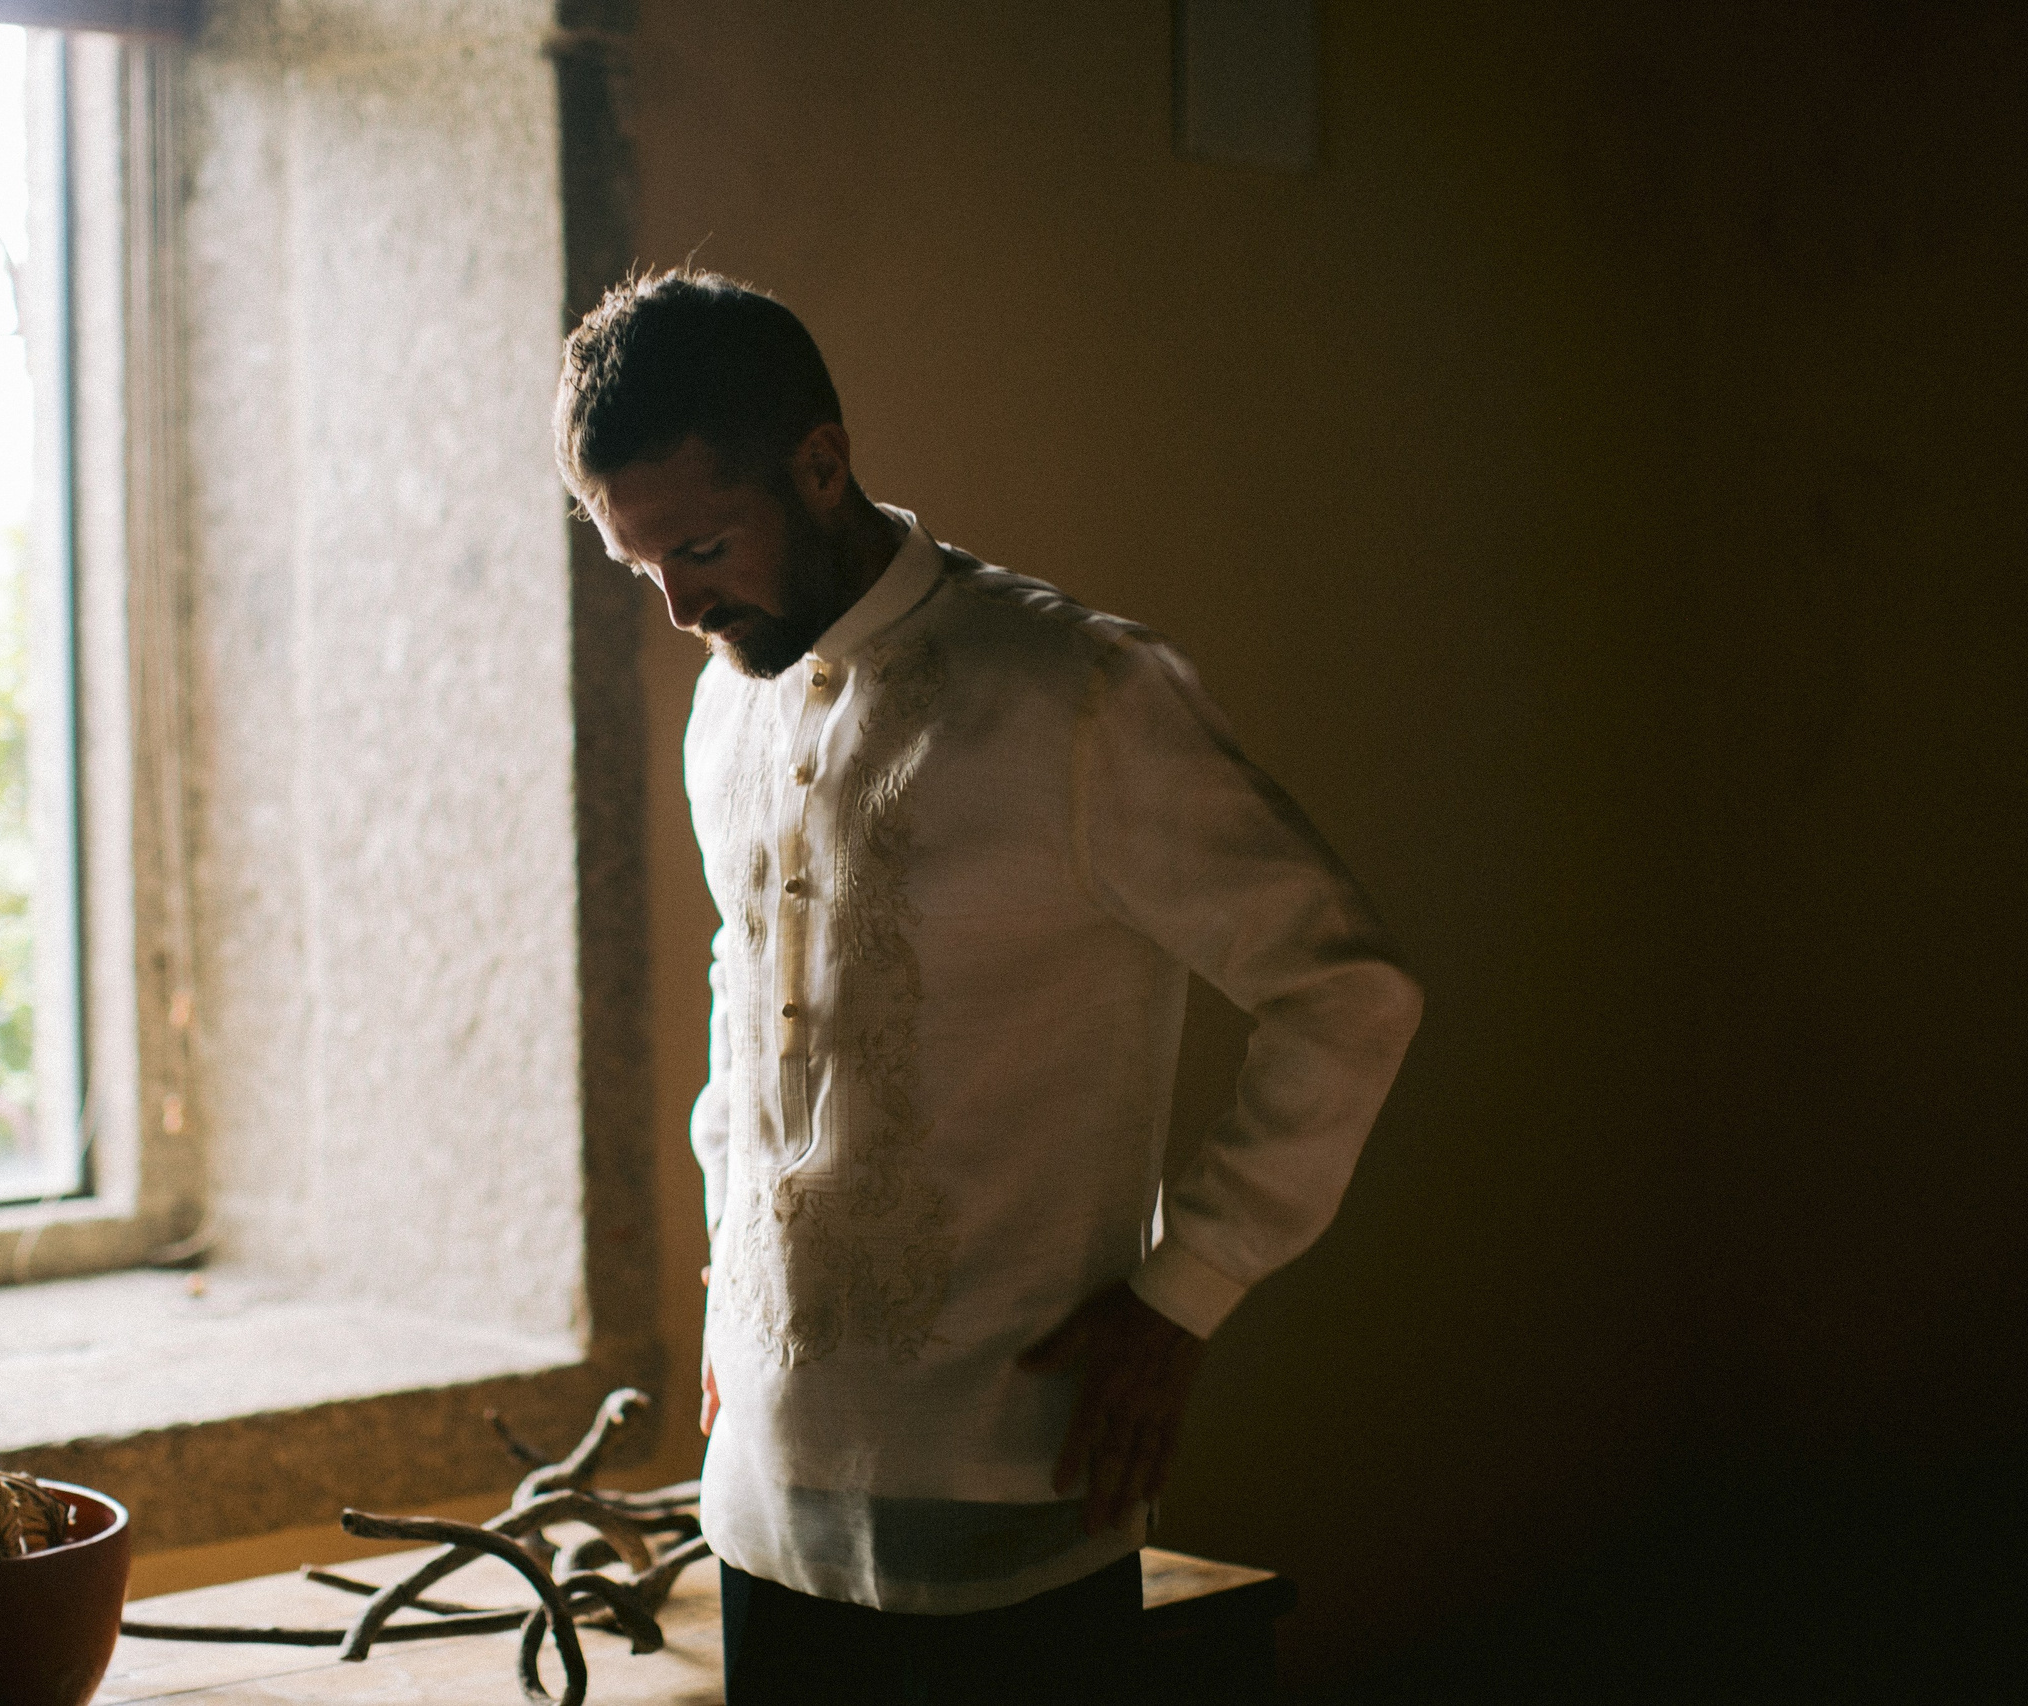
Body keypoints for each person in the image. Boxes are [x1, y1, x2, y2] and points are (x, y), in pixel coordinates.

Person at [554, 270, 1423, 1705]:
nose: (676, 603)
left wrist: (1183, 1291)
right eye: (636, 564)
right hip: (762, 1503)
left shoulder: (1075, 694)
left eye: (700, 544)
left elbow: (1349, 989)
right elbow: (745, 990)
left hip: (1014, 1492)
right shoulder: (728, 701)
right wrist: (735, 1303)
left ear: (819, 463)